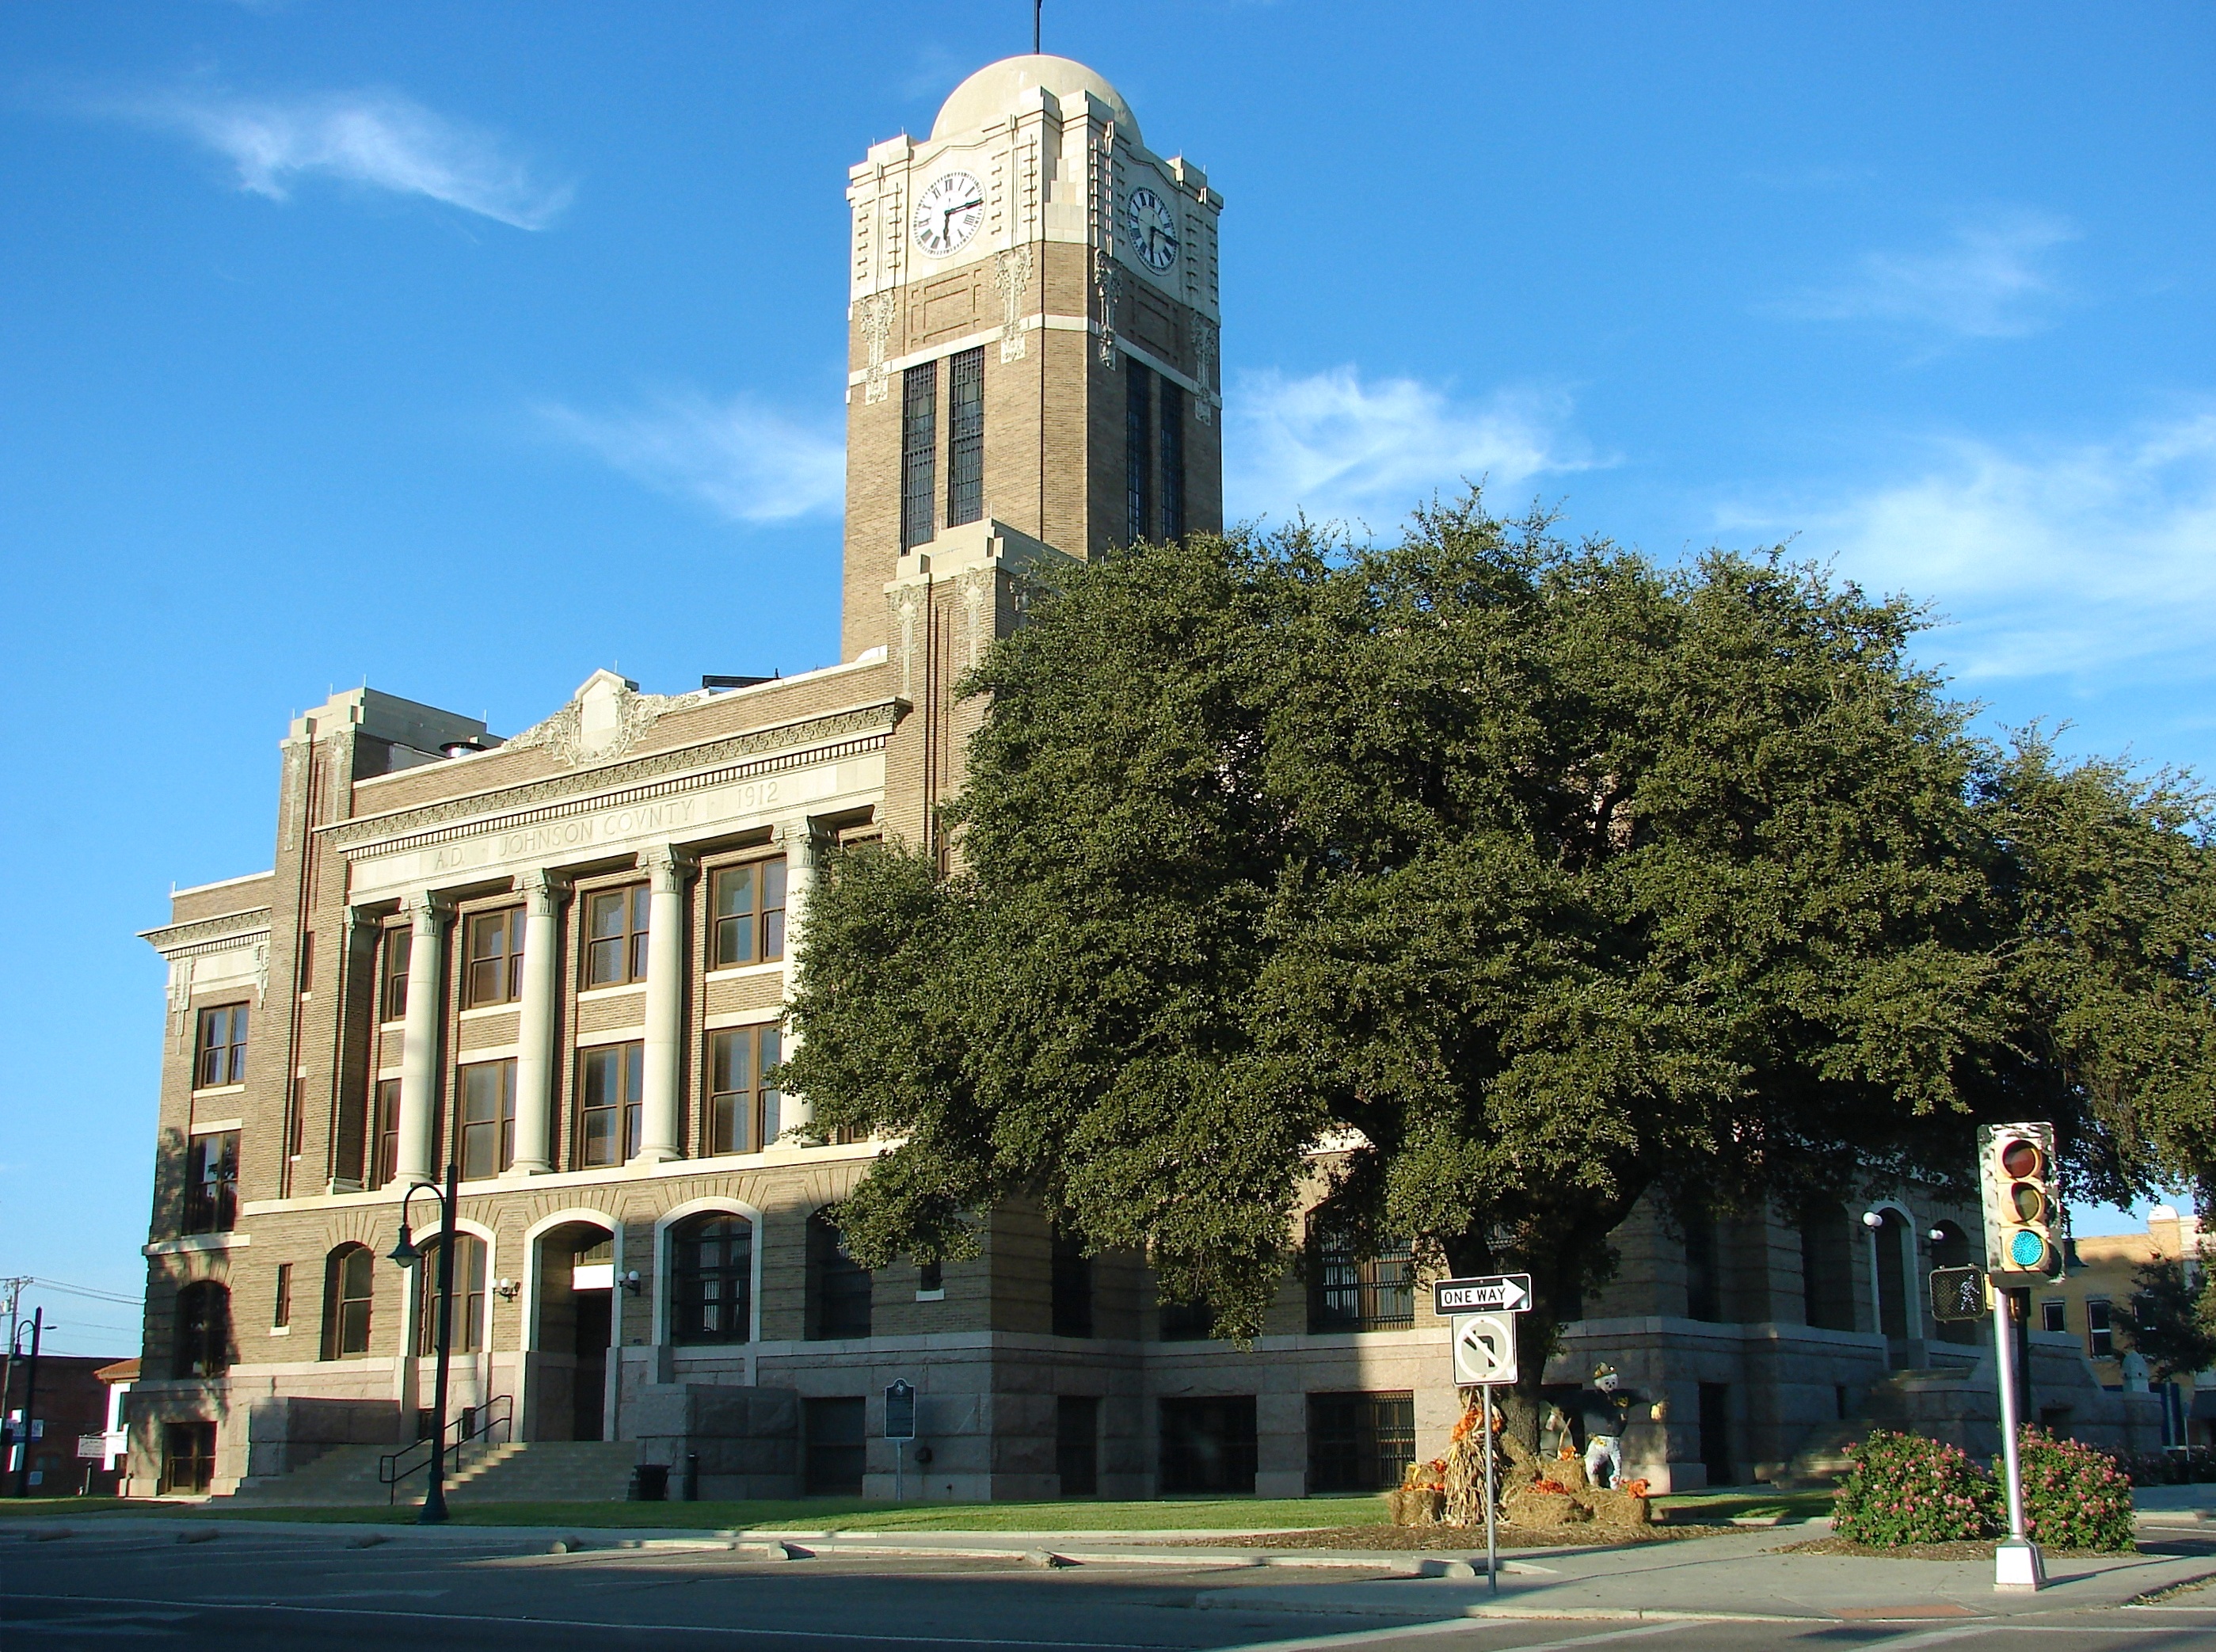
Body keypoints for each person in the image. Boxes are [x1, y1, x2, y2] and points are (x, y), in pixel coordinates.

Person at [1574, 1365, 1662, 1489]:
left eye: (1612, 1382)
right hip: (1597, 1441)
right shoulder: (1591, 1397)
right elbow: (1569, 1399)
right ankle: (1594, 1487)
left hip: (1613, 1442)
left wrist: (1656, 1404)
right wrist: (1555, 1414)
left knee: (1616, 1468)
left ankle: (1614, 1491)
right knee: (1590, 1463)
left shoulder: (1622, 1396)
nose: (1610, 1385)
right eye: (1607, 1382)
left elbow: (1645, 1393)